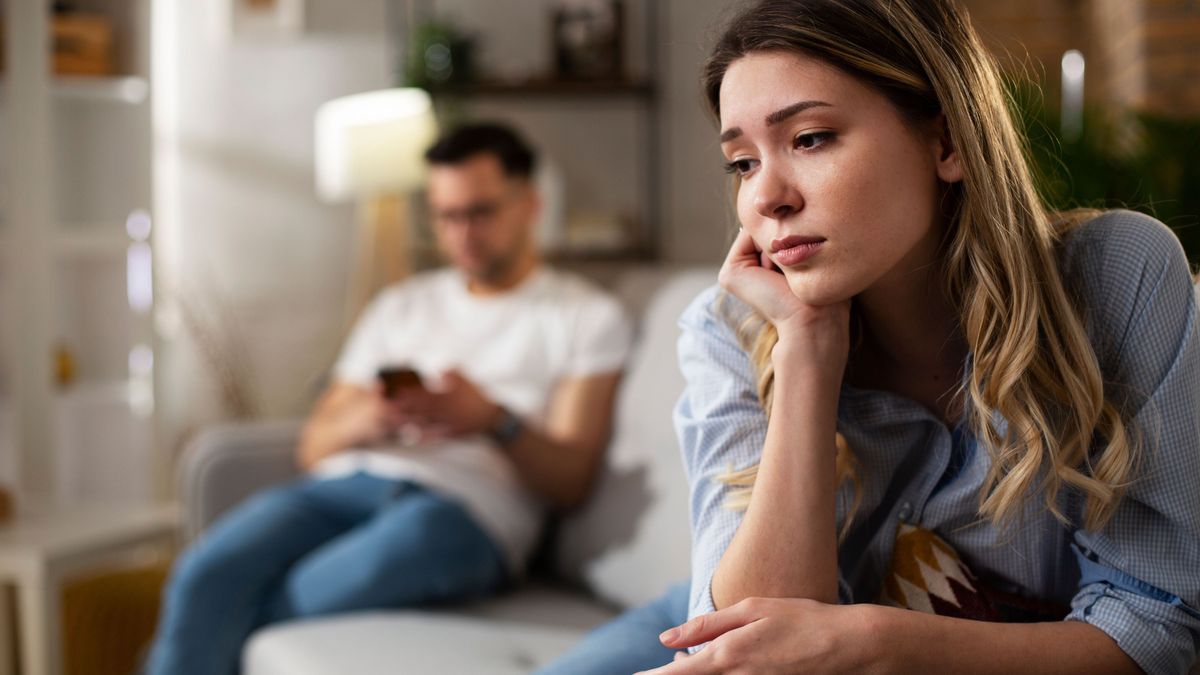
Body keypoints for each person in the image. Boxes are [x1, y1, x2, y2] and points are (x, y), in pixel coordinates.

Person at [542, 0, 1200, 673]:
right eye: (741, 162)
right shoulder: (732, 324)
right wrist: (804, 348)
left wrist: (888, 644)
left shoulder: (1119, 277)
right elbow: (741, 647)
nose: (767, 196)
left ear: (946, 143)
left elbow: (1164, 623)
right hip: (702, 608)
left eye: (809, 138)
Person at [145, 123, 633, 675]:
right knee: (205, 573)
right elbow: (313, 447)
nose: (461, 233)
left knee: (298, 596)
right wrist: (370, 416)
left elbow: (571, 481)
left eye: (480, 212)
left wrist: (491, 420)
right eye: (446, 215)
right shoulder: (401, 305)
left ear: (529, 204)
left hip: (464, 513)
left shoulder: (585, 316)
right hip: (347, 487)